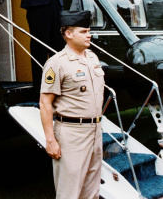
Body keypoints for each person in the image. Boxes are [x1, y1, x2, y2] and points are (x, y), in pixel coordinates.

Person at [40, 10, 105, 199]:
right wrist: (50, 140)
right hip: (71, 134)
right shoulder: (56, 63)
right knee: (69, 193)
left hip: (95, 131)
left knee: (92, 192)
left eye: (89, 31)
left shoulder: (92, 57)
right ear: (68, 34)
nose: (89, 35)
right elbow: (45, 103)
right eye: (84, 31)